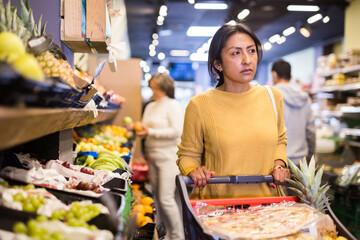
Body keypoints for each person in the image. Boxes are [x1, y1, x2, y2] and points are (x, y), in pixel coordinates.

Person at [176, 22, 290, 200]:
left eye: (251, 51)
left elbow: (280, 141)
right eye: (236, 53)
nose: (247, 60)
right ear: (218, 64)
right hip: (217, 209)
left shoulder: (272, 96)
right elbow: (187, 155)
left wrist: (279, 165)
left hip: (267, 206)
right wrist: (194, 170)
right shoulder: (199, 104)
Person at [136, 73, 184, 240]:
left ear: (164, 88)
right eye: (151, 87)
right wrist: (137, 129)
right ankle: (164, 235)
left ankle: (178, 237)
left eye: (155, 88)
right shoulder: (150, 106)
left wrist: (150, 131)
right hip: (152, 157)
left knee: (166, 199)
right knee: (157, 199)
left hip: (168, 159)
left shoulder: (173, 106)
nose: (153, 91)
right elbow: (145, 128)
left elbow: (177, 132)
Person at [272, 59, 315, 165]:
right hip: (301, 160)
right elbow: (311, 130)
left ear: (274, 75)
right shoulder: (304, 97)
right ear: (290, 77)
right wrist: (311, 155)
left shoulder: (271, 95)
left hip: (277, 162)